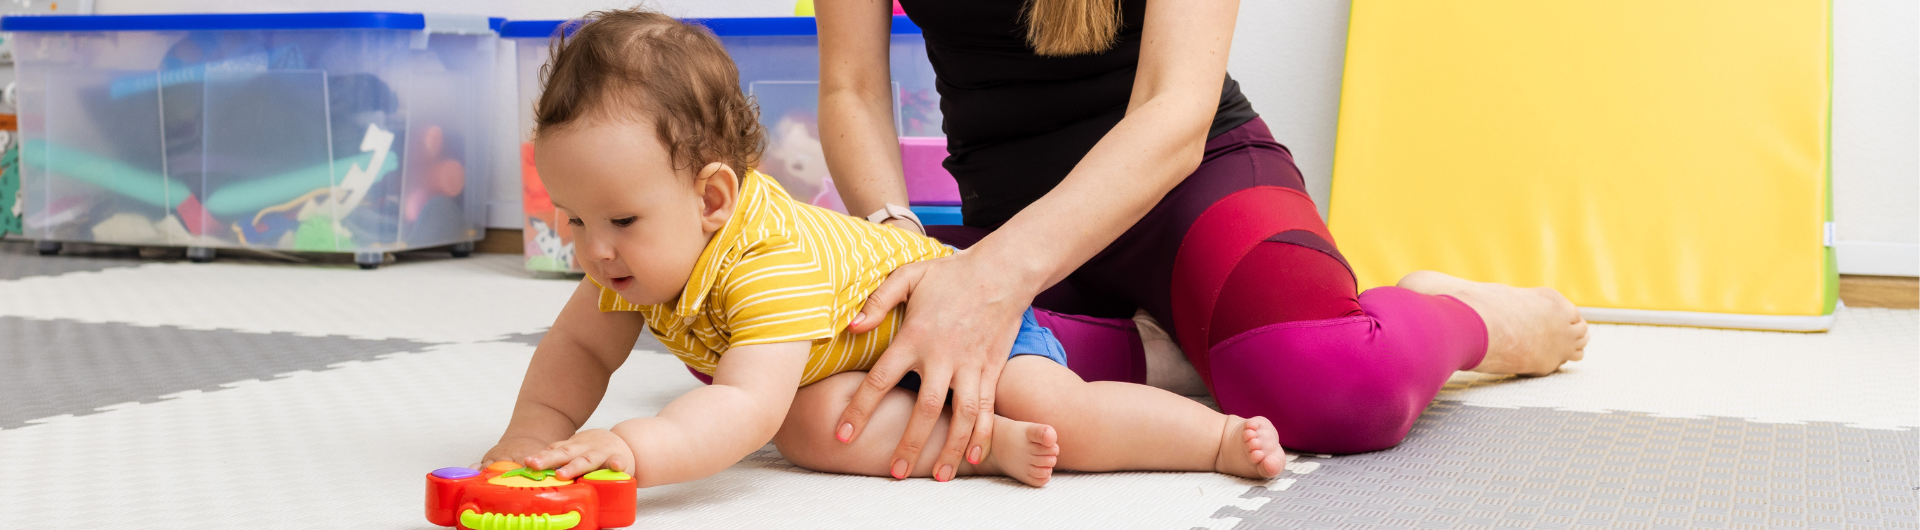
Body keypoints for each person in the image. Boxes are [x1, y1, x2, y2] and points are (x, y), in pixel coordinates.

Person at [482, 8, 1289, 488]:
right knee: (810, 428)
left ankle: (1209, 440)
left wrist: (629, 450)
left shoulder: (767, 265)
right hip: (851, 358)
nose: (591, 250)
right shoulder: (623, 255)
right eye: (573, 219)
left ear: (713, 200)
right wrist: (529, 436)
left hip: (958, 312)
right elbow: (577, 353)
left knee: (1056, 410)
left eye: (618, 221)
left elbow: (740, 408)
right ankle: (984, 450)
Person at [792, 0, 1591, 482]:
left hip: (1190, 181)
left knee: (1328, 389)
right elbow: (850, 89)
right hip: (1012, 216)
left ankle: (1454, 316)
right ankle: (1168, 350)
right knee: (803, 344)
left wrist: (992, 279)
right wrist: (894, 245)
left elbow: (1176, 112)